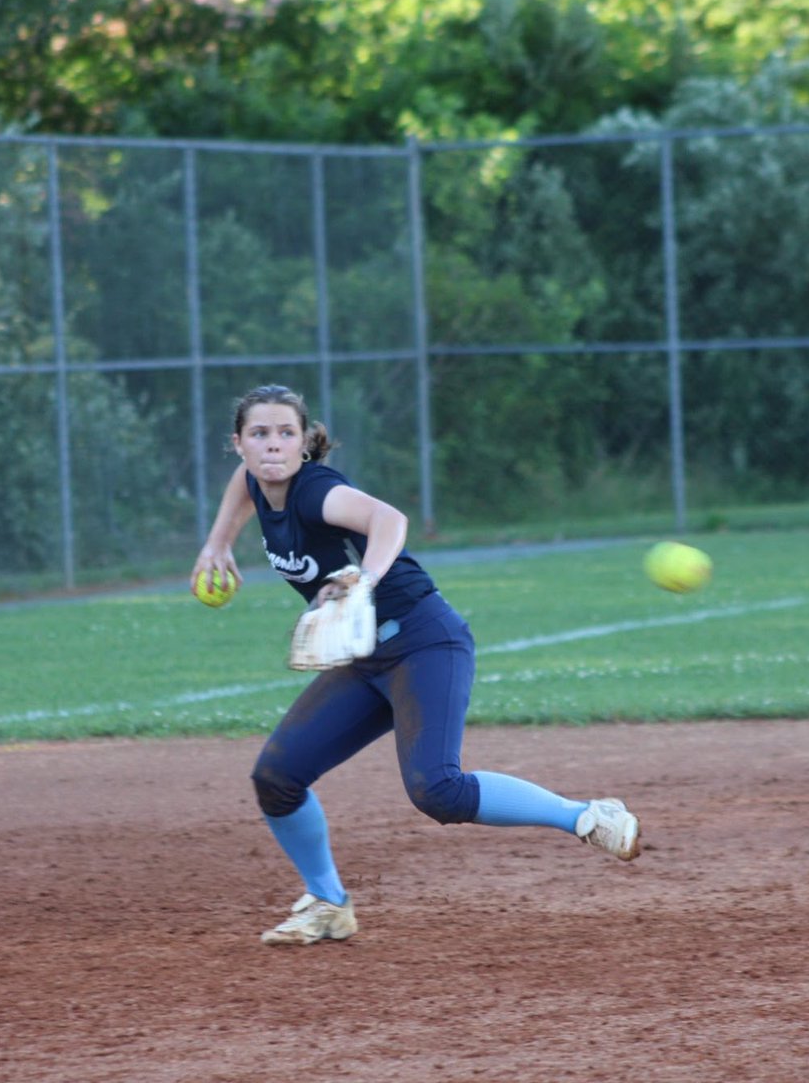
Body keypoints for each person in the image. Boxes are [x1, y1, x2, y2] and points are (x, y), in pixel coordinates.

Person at [190, 383, 641, 947]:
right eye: (259, 434)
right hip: (362, 657)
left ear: (305, 444)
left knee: (438, 791)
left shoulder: (315, 494)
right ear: (238, 444)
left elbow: (389, 521)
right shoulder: (257, 480)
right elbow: (244, 486)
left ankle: (586, 815)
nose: (273, 446)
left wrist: (363, 580)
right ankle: (329, 904)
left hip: (424, 642)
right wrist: (218, 543)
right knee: (276, 779)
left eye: (286, 433)